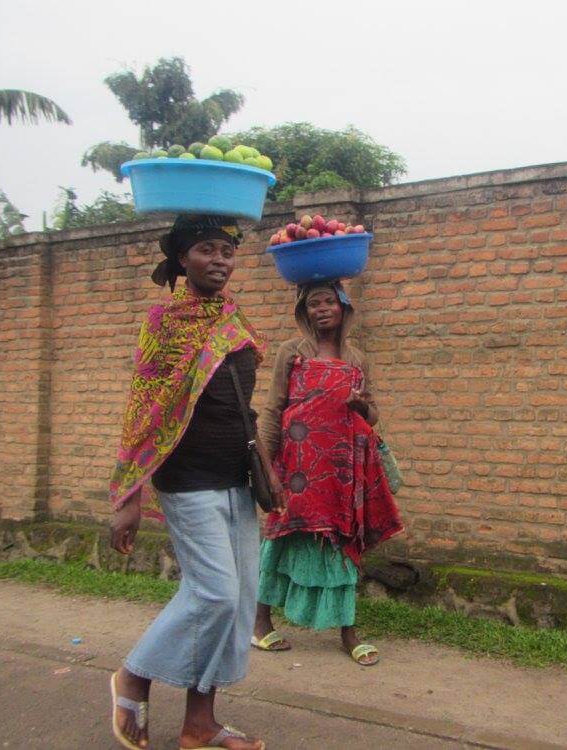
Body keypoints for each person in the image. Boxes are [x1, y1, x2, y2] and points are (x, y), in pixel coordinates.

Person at [107, 214, 283, 750]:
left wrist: (266, 465)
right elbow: (143, 410)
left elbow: (241, 404)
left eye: (227, 251)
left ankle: (200, 723)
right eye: (207, 249)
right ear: (182, 258)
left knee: (239, 598)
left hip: (236, 478)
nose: (220, 260)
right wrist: (128, 497)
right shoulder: (164, 322)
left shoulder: (233, 317)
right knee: (215, 593)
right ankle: (134, 676)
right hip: (187, 480)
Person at [252, 280, 403, 666]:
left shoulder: (357, 359)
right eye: (313, 304)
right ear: (303, 312)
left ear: (343, 308)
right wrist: (266, 467)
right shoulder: (291, 353)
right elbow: (273, 409)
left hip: (340, 470)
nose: (322, 309)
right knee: (282, 536)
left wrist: (361, 407)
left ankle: (348, 633)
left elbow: (372, 413)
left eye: (329, 302)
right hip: (297, 467)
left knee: (343, 541)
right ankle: (260, 621)